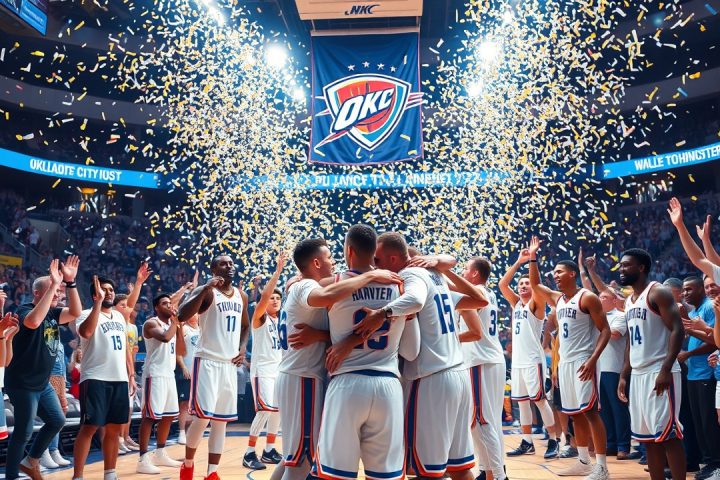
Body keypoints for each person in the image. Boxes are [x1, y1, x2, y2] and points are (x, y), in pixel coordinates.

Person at [355, 232, 488, 480]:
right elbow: (480, 300)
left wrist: (381, 314)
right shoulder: (435, 277)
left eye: (378, 259)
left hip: (431, 380)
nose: (375, 265)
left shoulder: (410, 275)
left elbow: (414, 303)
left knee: (426, 471)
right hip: (458, 376)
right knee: (459, 469)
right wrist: (444, 266)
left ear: (394, 259)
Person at [270, 237, 402, 480]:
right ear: (316, 263)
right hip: (303, 378)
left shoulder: (302, 285)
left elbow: (332, 329)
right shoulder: (305, 285)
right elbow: (324, 296)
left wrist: (319, 335)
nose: (333, 262)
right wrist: (370, 275)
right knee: (301, 462)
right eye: (329, 257)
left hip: (299, 375)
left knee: (293, 458)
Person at [313, 224, 421, 480]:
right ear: (374, 252)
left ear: (349, 250)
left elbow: (308, 303)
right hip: (388, 385)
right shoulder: (400, 287)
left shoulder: (331, 285)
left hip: (346, 383)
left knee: (336, 476)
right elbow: (412, 350)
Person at [527, 237, 611, 479]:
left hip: (584, 361)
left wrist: (593, 360)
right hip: (565, 363)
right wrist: (532, 257)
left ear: (572, 274)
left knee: (591, 412)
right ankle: (583, 461)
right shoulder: (557, 299)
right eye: (554, 272)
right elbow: (536, 285)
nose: (555, 275)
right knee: (575, 414)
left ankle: (602, 467)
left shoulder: (587, 297)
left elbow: (605, 330)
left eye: (559, 271)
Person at [5, 256, 81, 480]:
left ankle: (30, 461)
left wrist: (71, 283)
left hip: (42, 382)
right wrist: (55, 283)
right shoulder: (23, 310)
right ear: (37, 293)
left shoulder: (54, 314)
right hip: (22, 383)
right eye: (53, 291)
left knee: (57, 420)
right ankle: (11, 475)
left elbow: (75, 312)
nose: (57, 295)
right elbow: (33, 322)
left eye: (58, 292)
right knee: (24, 431)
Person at [178, 255, 250, 480]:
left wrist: (242, 348)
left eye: (231, 263)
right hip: (207, 361)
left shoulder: (241, 295)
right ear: (213, 269)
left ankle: (212, 472)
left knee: (221, 422)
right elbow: (182, 314)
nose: (229, 266)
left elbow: (245, 326)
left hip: (229, 364)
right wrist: (203, 288)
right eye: (223, 264)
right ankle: (188, 465)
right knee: (202, 419)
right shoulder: (208, 292)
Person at [617, 248, 685, 480]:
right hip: (638, 374)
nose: (621, 269)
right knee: (648, 440)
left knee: (669, 436)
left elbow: (678, 330)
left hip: (660, 371)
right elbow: (630, 342)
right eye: (621, 265)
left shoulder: (658, 292)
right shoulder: (628, 301)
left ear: (641, 267)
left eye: (626, 265)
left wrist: (665, 369)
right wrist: (624, 375)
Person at [72, 275, 137, 480]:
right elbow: (86, 332)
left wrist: (131, 374)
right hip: (95, 378)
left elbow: (125, 348)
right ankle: (78, 476)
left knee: (114, 429)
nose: (109, 292)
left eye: (111, 290)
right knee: (89, 427)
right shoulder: (85, 314)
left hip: (119, 379)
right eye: (104, 290)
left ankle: (110, 473)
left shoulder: (118, 316)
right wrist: (98, 304)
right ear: (95, 295)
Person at [498, 247, 559, 458]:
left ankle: (554, 440)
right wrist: (518, 262)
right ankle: (527, 442)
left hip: (534, 360)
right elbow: (502, 285)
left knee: (540, 401)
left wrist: (532, 260)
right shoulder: (516, 304)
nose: (523, 286)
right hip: (518, 362)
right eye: (520, 284)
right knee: (522, 402)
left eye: (527, 284)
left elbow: (536, 284)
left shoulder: (536, 304)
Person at [580, 252, 635, 460]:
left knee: (619, 408)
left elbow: (614, 335)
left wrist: (600, 326)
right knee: (603, 410)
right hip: (599, 368)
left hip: (614, 367)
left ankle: (623, 445)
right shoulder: (599, 316)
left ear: (614, 300)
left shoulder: (620, 316)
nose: (600, 299)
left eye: (604, 297)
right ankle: (610, 443)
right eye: (599, 297)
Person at [458, 257, 508, 480]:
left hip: (480, 360)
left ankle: (498, 475)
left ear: (475, 274)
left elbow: (474, 332)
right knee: (490, 421)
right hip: (492, 359)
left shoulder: (475, 293)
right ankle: (489, 471)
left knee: (480, 421)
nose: (462, 272)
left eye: (465, 269)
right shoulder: (490, 293)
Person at [243, 253, 287, 470]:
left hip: (279, 370)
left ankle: (269, 450)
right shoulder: (260, 318)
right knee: (264, 411)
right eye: (272, 298)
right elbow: (264, 297)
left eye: (278, 298)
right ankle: (249, 453)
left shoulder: (283, 320)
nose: (275, 300)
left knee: (277, 411)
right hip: (262, 371)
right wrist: (277, 273)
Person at [136, 293, 186, 474]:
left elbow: (181, 350)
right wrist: (175, 322)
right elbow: (164, 337)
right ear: (156, 307)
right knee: (150, 417)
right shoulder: (151, 323)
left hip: (169, 374)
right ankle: (142, 459)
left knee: (168, 416)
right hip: (154, 375)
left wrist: (179, 327)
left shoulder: (172, 325)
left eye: (170, 303)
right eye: (165, 303)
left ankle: (160, 453)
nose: (169, 306)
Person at [679, 276, 720, 479]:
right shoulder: (695, 311)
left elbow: (714, 341)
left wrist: (688, 353)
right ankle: (707, 462)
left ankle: (715, 463)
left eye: (689, 289)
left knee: (708, 422)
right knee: (698, 422)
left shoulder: (710, 307)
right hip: (693, 373)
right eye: (684, 290)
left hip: (707, 372)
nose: (685, 293)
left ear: (700, 291)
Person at [176, 311, 199, 445]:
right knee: (184, 403)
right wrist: (183, 366)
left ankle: (191, 431)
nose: (192, 315)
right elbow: (178, 351)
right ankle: (181, 432)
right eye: (190, 313)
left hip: (200, 372)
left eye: (195, 313)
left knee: (196, 404)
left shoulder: (202, 329)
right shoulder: (184, 329)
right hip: (187, 371)